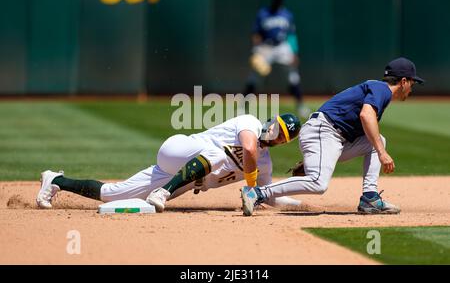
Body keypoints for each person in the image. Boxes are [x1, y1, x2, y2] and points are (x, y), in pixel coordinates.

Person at [241, 57, 424, 216]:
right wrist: (382, 153)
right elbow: (366, 115)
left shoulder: (379, 92)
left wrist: (318, 158)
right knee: (318, 183)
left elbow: (359, 125)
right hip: (323, 130)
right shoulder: (381, 89)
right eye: (412, 83)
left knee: (377, 142)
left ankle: (370, 198)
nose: (411, 88)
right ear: (403, 81)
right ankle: (256, 193)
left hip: (332, 137)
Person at [36, 113, 302, 212]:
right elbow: (248, 148)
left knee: (111, 195)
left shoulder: (265, 164)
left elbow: (268, 196)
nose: (276, 136)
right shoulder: (250, 123)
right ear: (270, 122)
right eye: (277, 128)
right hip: (177, 151)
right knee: (218, 155)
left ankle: (55, 180)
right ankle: (162, 193)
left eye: (283, 137)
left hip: (185, 179)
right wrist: (250, 185)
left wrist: (300, 203)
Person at [244, 0, 310, 119]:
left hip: (282, 47)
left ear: (282, 0)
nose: (277, 1)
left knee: (293, 76)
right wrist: (255, 51)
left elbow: (291, 35)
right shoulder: (263, 13)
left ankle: (300, 105)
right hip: (265, 47)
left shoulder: (287, 15)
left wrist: (294, 53)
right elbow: (256, 34)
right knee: (254, 78)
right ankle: (242, 106)